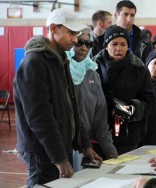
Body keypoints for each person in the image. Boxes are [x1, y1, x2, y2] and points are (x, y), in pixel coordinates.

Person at [13, 8, 101, 187]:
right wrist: (59, 158)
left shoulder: (60, 59)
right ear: (53, 28)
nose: (76, 40)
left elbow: (71, 108)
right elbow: (39, 117)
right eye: (70, 33)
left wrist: (85, 144)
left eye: (76, 34)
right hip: (43, 152)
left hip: (59, 147)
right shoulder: (34, 63)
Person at [93, 25, 155, 154]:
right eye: (114, 44)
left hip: (127, 136)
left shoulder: (139, 69)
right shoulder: (93, 67)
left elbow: (150, 101)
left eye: (123, 44)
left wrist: (132, 109)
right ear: (106, 45)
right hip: (96, 136)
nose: (119, 48)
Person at [66, 33, 118, 161]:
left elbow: (100, 116)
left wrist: (108, 147)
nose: (84, 48)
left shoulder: (92, 73)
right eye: (80, 42)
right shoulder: (61, 70)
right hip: (62, 143)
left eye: (88, 44)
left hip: (85, 144)